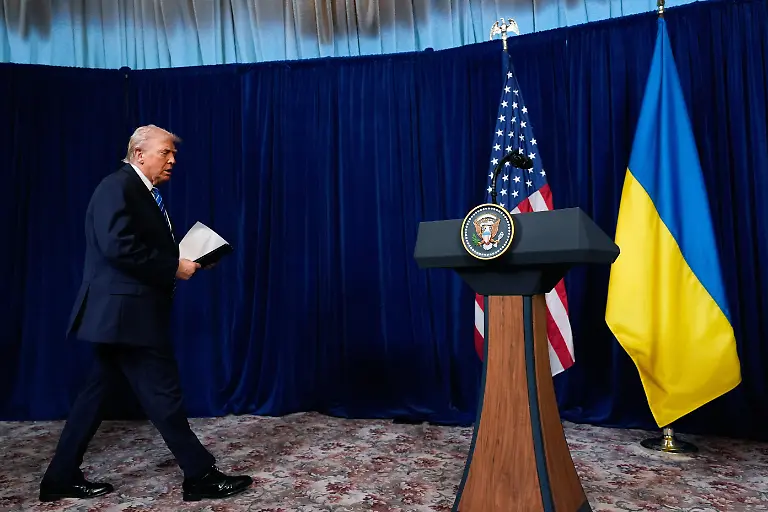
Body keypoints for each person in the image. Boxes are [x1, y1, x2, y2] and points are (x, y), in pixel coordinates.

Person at [39, 125, 252, 503]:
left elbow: (134, 247)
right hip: (126, 314)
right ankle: (199, 474)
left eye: (174, 154)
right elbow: (117, 247)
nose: (172, 160)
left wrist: (187, 261)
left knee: (97, 395)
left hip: (127, 313)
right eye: (165, 152)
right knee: (162, 394)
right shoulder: (117, 186)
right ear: (139, 154)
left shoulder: (141, 192)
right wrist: (174, 267)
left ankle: (59, 476)